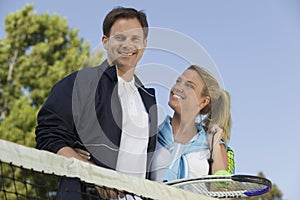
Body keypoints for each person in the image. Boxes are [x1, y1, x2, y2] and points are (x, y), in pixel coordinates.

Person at [35, 7, 157, 199]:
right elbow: (48, 134)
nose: (128, 44)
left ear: (144, 44)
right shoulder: (80, 82)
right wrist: (90, 172)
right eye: (120, 37)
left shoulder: (147, 100)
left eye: (135, 38)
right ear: (105, 42)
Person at [150, 65, 233, 183]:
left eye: (189, 85)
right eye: (178, 81)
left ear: (204, 101)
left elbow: (223, 193)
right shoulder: (153, 135)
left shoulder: (212, 146)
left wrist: (214, 147)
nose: (178, 87)